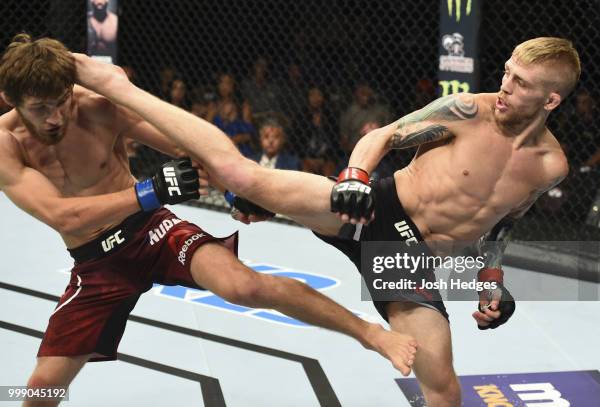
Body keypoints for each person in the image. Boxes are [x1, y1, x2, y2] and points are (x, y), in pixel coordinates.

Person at [73, 36, 579, 406]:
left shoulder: (549, 166)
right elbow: (384, 135)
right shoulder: (469, 110)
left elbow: (503, 222)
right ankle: (122, 89)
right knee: (241, 175)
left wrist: (491, 279)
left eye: (521, 82)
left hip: (408, 259)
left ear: (551, 100)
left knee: (445, 393)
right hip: (373, 207)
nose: (505, 85)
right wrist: (356, 175)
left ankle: (271, 205)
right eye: (508, 71)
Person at [0, 35, 418, 406]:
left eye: (62, 101)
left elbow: (190, 146)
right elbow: (60, 213)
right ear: (10, 99)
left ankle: (370, 334)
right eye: (41, 108)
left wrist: (239, 189)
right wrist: (147, 191)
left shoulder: (96, 108)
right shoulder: (5, 145)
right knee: (41, 390)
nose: (56, 116)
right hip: (95, 262)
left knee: (244, 285)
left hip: (151, 229)